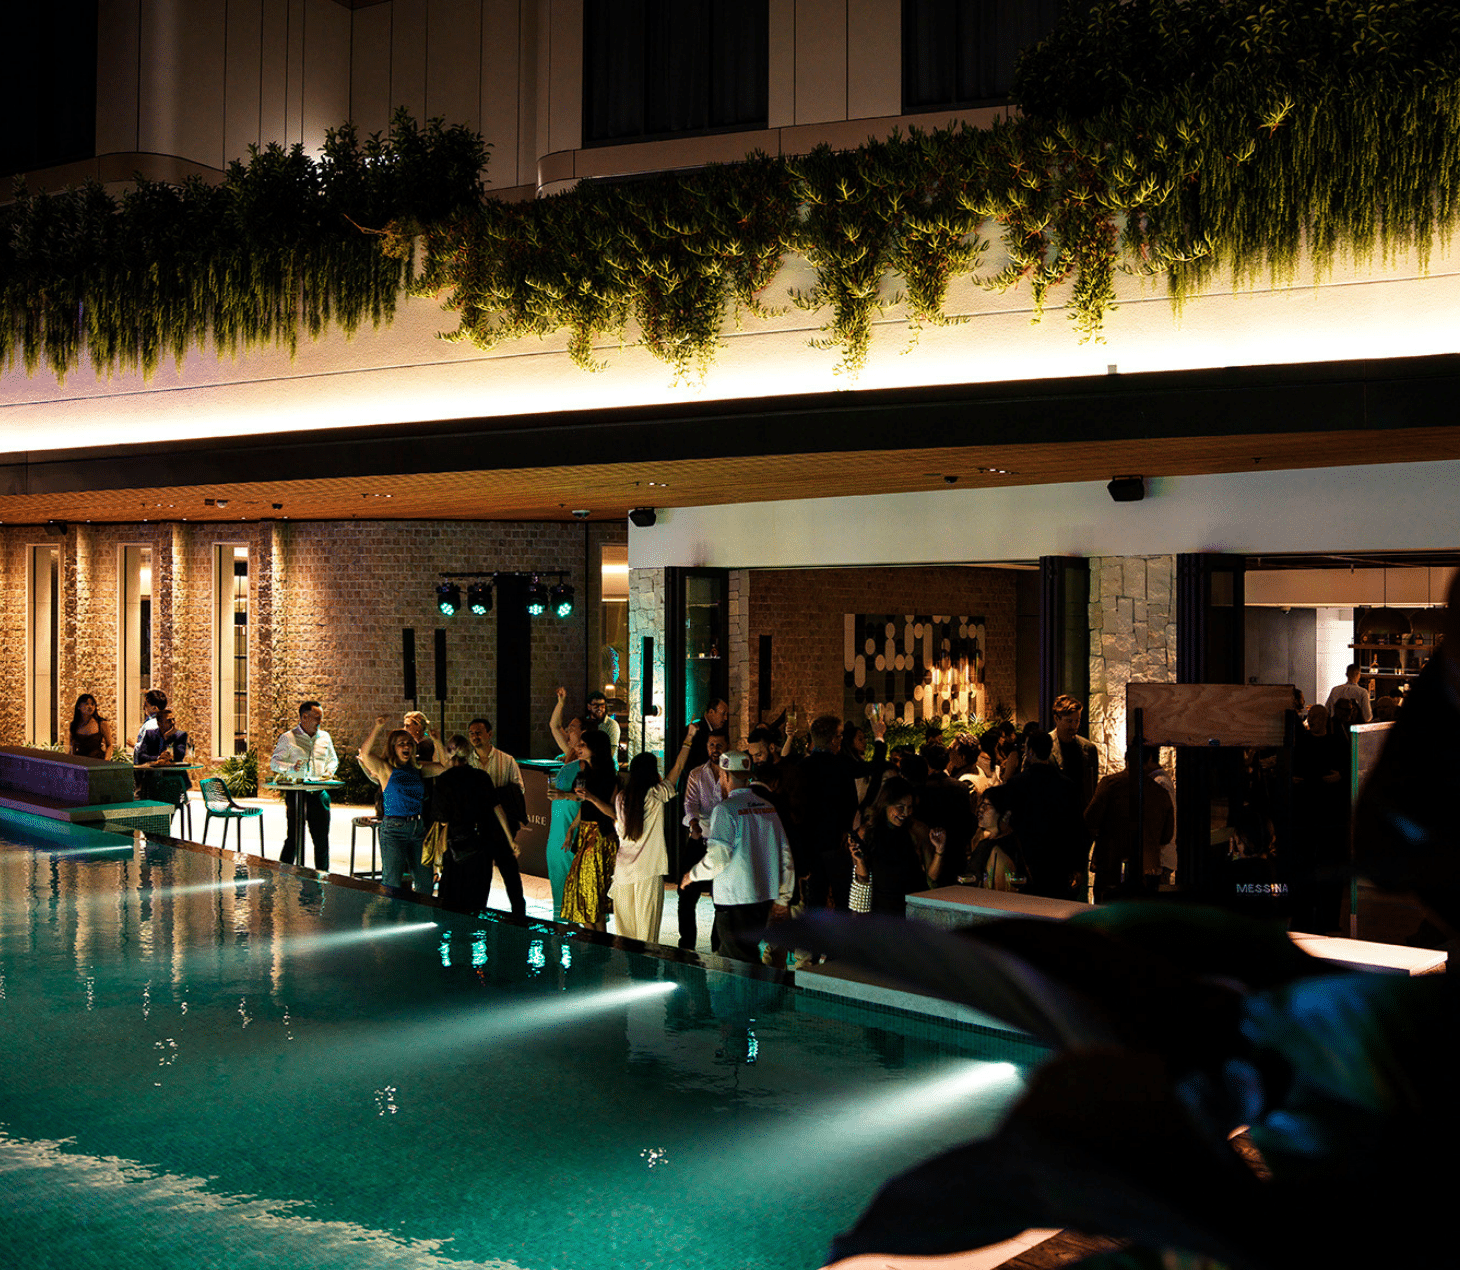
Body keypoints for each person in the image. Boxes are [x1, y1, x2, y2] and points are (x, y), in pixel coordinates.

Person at [682, 750, 794, 962]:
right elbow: (785, 856)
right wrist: (783, 897)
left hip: (734, 901)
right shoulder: (768, 808)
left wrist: (692, 875)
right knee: (749, 956)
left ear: (725, 776)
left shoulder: (725, 810)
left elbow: (718, 858)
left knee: (736, 966)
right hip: (762, 900)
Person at [611, 722, 699, 942]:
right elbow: (677, 769)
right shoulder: (656, 795)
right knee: (647, 937)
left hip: (623, 872)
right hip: (648, 871)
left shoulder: (622, 798)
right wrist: (688, 739)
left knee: (625, 937)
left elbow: (620, 830)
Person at [357, 716, 450, 895]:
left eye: (409, 743)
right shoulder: (385, 769)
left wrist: (437, 741)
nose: (406, 746)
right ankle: (389, 918)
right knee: (392, 882)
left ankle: (419, 918)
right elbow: (366, 753)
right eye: (401, 743)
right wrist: (378, 727)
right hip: (394, 829)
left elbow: (446, 766)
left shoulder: (418, 767)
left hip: (418, 828)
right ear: (393, 748)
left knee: (425, 883)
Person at [433, 737, 522, 918]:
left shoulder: (444, 780)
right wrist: (510, 839)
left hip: (457, 842)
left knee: (453, 896)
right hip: (482, 840)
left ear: (450, 754)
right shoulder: (481, 777)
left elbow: (442, 817)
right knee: (478, 895)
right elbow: (497, 808)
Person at [1003, 730, 1089, 899]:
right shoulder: (1067, 785)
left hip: (1027, 858)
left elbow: (1011, 821)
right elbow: (1076, 827)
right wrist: (1078, 867)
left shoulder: (1017, 783)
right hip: (1059, 861)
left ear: (1030, 751)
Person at [1084, 746, 1175, 902]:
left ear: (1126, 760)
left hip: (1110, 865)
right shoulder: (1160, 793)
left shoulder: (1110, 784)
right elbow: (1166, 836)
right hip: (1148, 869)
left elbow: (1090, 820)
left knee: (1106, 917)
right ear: (1149, 760)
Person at [847, 775, 943, 916]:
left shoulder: (917, 830)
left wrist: (939, 851)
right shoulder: (867, 832)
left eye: (909, 807)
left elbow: (931, 880)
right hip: (881, 911)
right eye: (900, 807)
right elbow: (862, 879)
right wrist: (859, 861)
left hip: (912, 910)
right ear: (885, 804)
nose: (905, 813)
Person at [561, 729, 620, 930]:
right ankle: (591, 943)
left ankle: (600, 946)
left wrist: (592, 797)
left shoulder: (610, 777)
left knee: (593, 893)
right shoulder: (583, 773)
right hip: (585, 834)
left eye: (583, 745)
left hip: (600, 837)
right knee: (581, 891)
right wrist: (571, 828)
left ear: (595, 749)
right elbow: (583, 807)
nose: (578, 748)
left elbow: (613, 813)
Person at [269, 700, 339, 870]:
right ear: (304, 717)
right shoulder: (288, 738)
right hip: (297, 794)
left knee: (322, 840)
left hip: (319, 792)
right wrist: (291, 768)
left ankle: (322, 879)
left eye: (321, 718)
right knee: (294, 838)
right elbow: (274, 763)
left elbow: (333, 760)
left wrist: (329, 771)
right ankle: (283, 877)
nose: (320, 722)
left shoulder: (325, 737)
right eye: (317, 717)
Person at [677, 730, 727, 949]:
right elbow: (690, 804)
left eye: (719, 745)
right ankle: (686, 945)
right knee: (686, 894)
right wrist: (694, 824)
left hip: (724, 841)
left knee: (722, 897)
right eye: (711, 745)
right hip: (700, 839)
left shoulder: (732, 774)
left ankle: (718, 945)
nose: (715, 749)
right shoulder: (697, 773)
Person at [545, 687, 586, 918]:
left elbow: (586, 797)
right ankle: (560, 920)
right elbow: (553, 726)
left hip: (571, 826)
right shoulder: (569, 753)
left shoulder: (584, 762)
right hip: (558, 827)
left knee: (571, 878)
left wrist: (563, 796)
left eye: (573, 728)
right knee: (558, 879)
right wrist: (561, 701)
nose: (567, 731)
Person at [68, 694, 115, 760]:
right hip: (81, 761)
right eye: (86, 704)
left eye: (92, 704)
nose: (90, 707)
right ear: (79, 706)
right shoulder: (74, 725)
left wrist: (106, 761)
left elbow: (109, 745)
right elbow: (72, 747)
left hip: (97, 761)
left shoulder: (101, 723)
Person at [585, 689, 621, 754]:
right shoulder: (584, 722)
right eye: (596, 705)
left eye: (602, 705)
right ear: (589, 707)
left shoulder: (611, 724)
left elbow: (611, 751)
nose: (599, 708)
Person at [134, 687, 167, 752]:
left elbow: (148, 749)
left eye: (146, 704)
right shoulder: (163, 722)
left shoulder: (152, 725)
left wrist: (133, 744)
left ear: (154, 708)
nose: (143, 706)